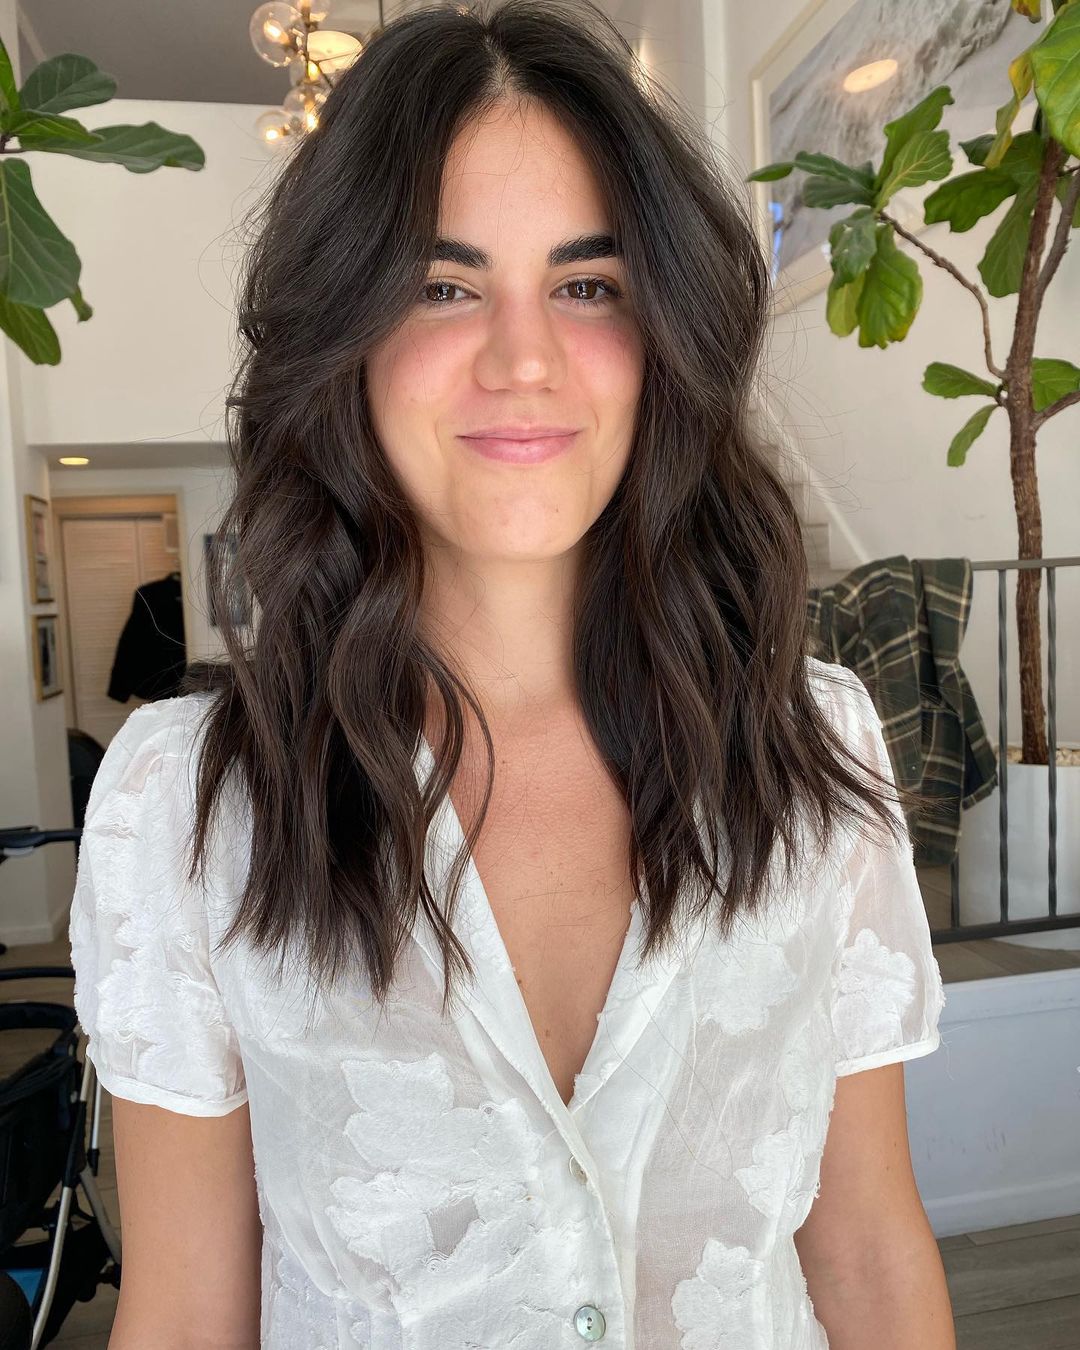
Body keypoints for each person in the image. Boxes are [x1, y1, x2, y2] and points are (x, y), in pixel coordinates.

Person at [67, 2, 955, 1346]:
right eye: (445, 285)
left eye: (588, 286)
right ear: (346, 337)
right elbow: (188, 1313)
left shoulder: (811, 749)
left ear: (662, 337)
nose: (524, 358)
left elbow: (874, 1254)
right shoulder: (191, 807)